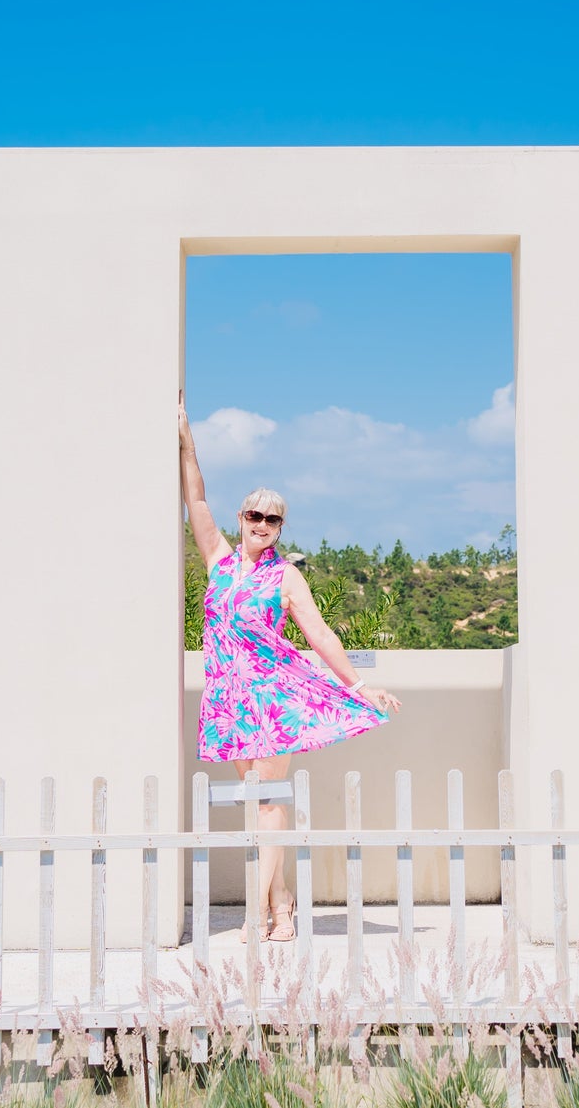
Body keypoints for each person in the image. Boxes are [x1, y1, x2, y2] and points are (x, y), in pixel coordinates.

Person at [179, 392, 403, 943]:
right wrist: (187, 443)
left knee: (267, 804)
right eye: (254, 514)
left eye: (271, 518)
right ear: (241, 518)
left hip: (272, 699)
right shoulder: (218, 561)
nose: (261, 523)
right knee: (256, 803)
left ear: (281, 527)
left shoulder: (285, 578)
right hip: (228, 699)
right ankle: (284, 910)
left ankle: (256, 915)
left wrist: (358, 683)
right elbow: (196, 500)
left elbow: (320, 634)